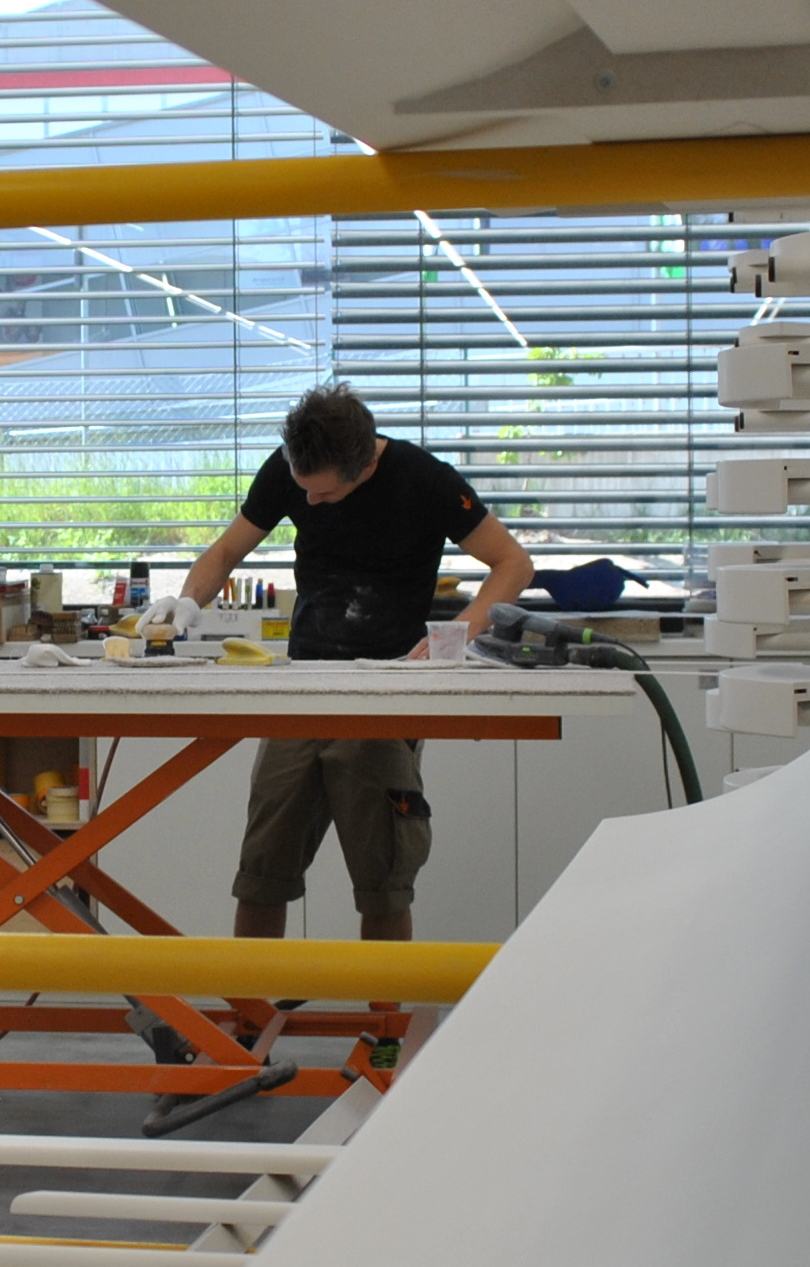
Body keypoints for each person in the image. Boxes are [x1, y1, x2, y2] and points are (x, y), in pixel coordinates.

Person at [142, 382, 531, 942]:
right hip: (302, 687)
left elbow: (513, 564)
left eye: (323, 496)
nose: (311, 504)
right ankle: (249, 1024)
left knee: (383, 881)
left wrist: (460, 631)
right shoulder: (290, 468)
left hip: (387, 691)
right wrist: (186, 603)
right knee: (261, 873)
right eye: (304, 492)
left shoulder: (426, 479)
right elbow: (226, 551)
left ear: (364, 460)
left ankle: (384, 1029)